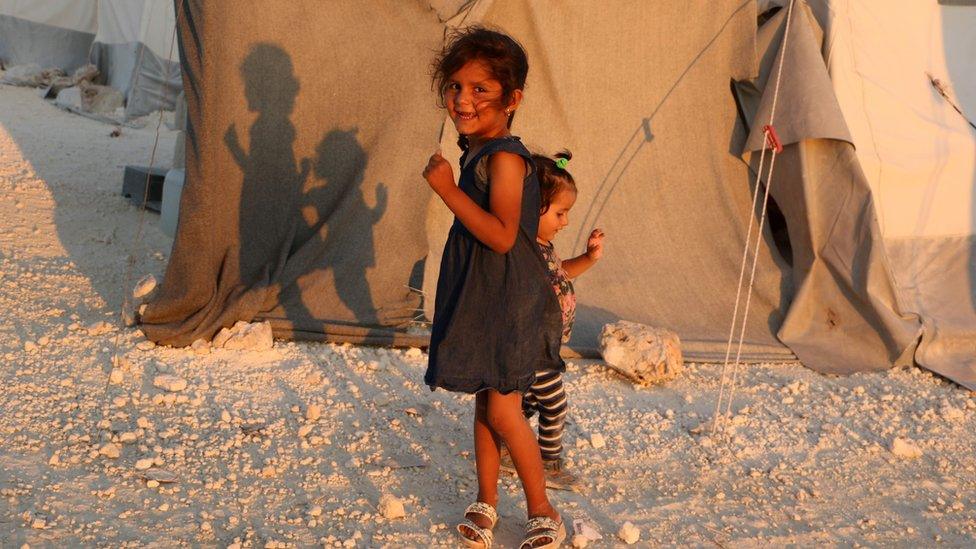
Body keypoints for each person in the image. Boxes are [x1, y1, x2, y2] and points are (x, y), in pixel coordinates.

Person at [422, 26, 567, 549]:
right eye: (456, 86)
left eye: (480, 89)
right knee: (487, 402)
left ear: (513, 98)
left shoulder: (505, 157)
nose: (463, 99)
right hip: (485, 294)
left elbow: (504, 237)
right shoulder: (479, 151)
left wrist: (445, 190)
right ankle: (486, 500)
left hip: (510, 299)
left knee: (505, 408)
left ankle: (543, 508)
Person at [501, 151, 604, 492]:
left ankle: (505, 447)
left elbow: (561, 274)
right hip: (530, 347)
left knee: (529, 401)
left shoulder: (544, 248)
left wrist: (588, 258)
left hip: (545, 346)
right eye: (560, 213)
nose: (566, 222)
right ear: (533, 206)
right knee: (555, 404)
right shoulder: (523, 249)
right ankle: (547, 463)